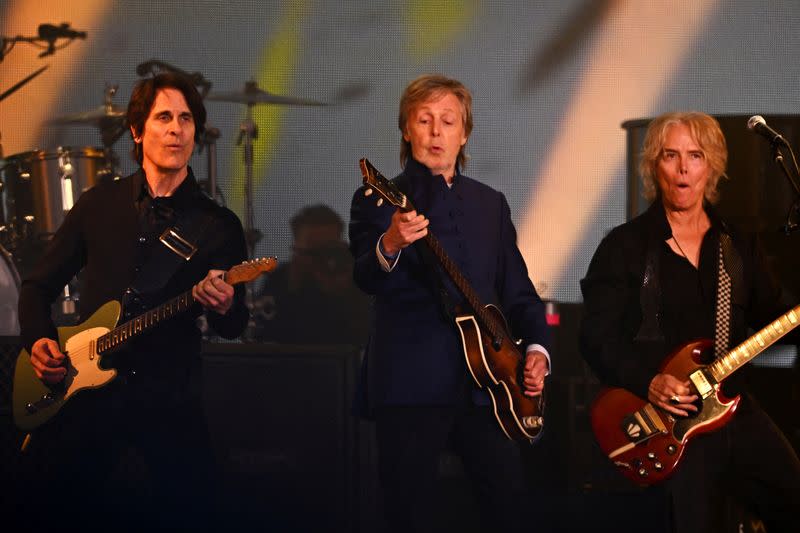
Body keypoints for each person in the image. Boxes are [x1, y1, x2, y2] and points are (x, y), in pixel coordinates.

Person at [15, 72, 249, 531]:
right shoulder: (98, 204)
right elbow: (36, 287)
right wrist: (39, 341)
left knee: (197, 512)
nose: (177, 129)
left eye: (186, 119)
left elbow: (234, 324)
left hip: (170, 397)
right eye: (164, 117)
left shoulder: (217, 224)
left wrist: (224, 305)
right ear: (138, 131)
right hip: (85, 395)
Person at [349, 74, 551, 533]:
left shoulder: (491, 204)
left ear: (464, 133)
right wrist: (391, 243)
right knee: (409, 514)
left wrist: (537, 350)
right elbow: (365, 277)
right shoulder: (378, 199)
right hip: (410, 383)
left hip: (488, 389)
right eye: (424, 120)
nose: (437, 132)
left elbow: (518, 291)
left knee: (510, 507)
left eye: (448, 121)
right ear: (406, 130)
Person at [579, 111, 800, 532]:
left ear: (712, 166)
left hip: (732, 406)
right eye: (671, 155)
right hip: (667, 422)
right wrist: (649, 380)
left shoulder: (736, 245)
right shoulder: (625, 247)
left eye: (695, 156)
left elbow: (774, 315)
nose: (683, 168)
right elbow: (595, 337)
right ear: (653, 166)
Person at [251, 204, 369, 345]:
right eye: (314, 252)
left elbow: (366, 335)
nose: (322, 258)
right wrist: (292, 288)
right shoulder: (280, 280)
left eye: (329, 249)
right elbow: (262, 335)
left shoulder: (357, 279)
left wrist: (343, 290)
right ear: (296, 249)